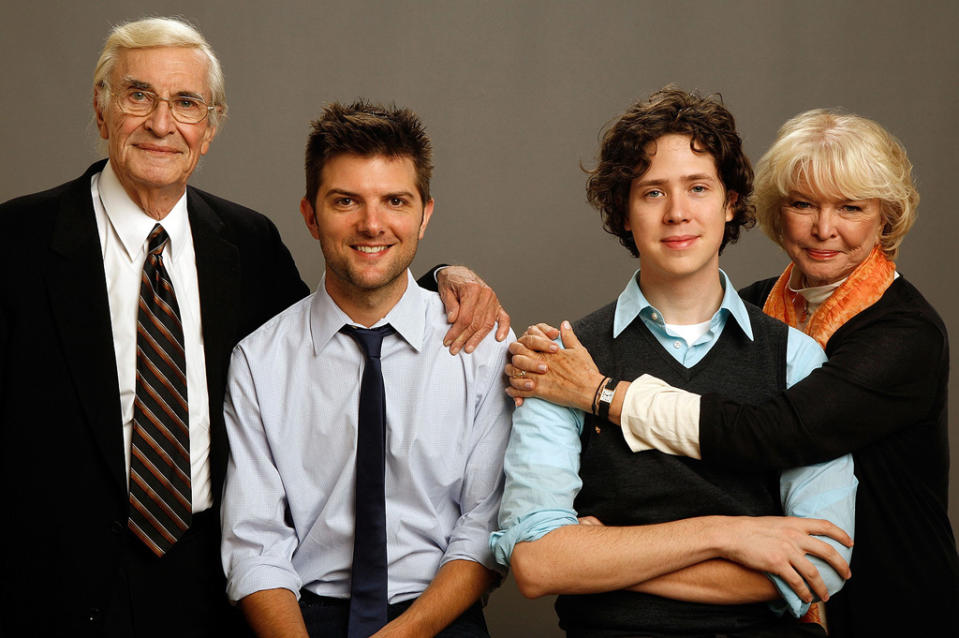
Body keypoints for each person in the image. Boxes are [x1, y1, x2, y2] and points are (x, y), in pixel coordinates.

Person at [0, 18, 505, 638]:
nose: (162, 123)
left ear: (208, 129)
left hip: (205, 585)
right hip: (54, 581)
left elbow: (348, 319)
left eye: (186, 102)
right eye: (139, 96)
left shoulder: (246, 243)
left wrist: (445, 278)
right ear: (101, 111)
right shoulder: (14, 244)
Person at [508, 109, 959, 636]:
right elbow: (539, 563)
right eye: (802, 204)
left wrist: (602, 399)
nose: (824, 228)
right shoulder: (760, 310)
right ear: (623, 212)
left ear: (730, 204)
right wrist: (729, 535)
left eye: (851, 207)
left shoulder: (898, 336)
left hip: (897, 602)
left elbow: (775, 437)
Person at [220, 100, 513, 638]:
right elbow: (255, 542)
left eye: (395, 201)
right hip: (302, 619)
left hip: (439, 615)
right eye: (346, 201)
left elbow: (486, 525)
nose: (372, 223)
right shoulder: (259, 361)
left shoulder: (482, 345)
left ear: (425, 214)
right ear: (310, 215)